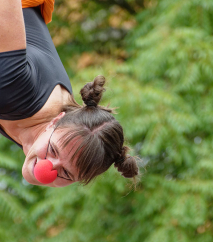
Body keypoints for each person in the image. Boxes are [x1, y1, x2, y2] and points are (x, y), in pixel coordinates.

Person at [0, 0, 139, 187]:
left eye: (66, 173)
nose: (47, 167)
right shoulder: (14, 91)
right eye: (53, 151)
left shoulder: (53, 120)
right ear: (55, 121)